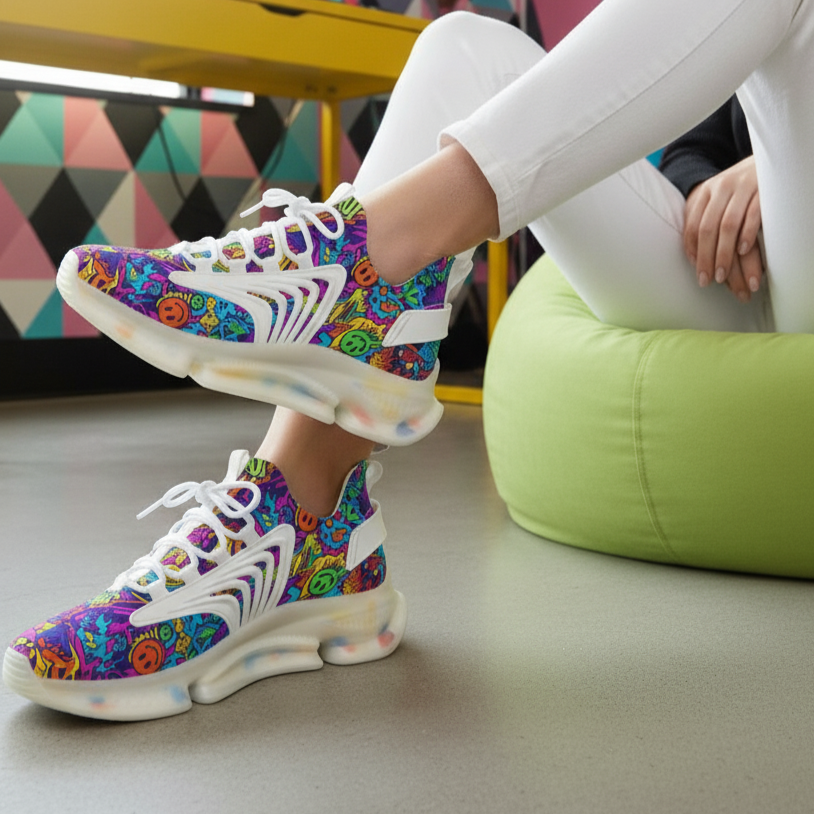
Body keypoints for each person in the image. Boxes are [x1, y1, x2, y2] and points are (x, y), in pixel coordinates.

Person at [4, 1, 810, 719]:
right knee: (461, 46)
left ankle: (360, 264)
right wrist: (725, 171)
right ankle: (301, 517)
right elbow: (694, 139)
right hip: (735, 269)